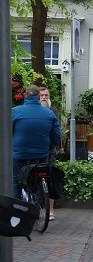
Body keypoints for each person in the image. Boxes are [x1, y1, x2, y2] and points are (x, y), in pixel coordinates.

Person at [12, 86, 61, 200]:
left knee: (15, 181)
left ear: (25, 97)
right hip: (41, 154)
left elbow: (7, 132)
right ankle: (38, 202)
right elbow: (56, 135)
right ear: (38, 97)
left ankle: (17, 207)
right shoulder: (49, 113)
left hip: (19, 154)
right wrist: (49, 147)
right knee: (40, 177)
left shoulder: (14, 112)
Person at [39, 87, 60, 221]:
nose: (44, 97)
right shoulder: (34, 111)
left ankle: (51, 210)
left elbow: (56, 131)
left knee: (50, 178)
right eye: (42, 95)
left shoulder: (53, 112)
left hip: (50, 151)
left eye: (46, 95)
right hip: (37, 151)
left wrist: (54, 145)